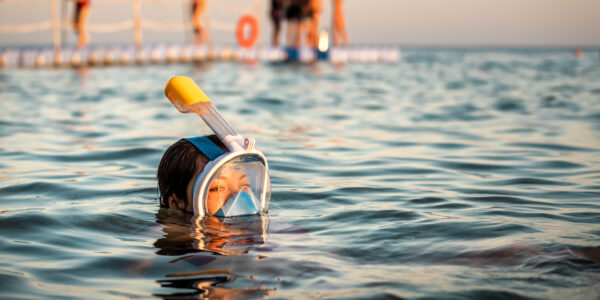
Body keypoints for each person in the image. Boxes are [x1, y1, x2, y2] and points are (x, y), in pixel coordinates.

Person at [158, 76, 271, 218]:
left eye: (245, 186)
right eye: (217, 188)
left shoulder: (274, 229)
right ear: (176, 204)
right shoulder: (172, 234)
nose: (238, 198)